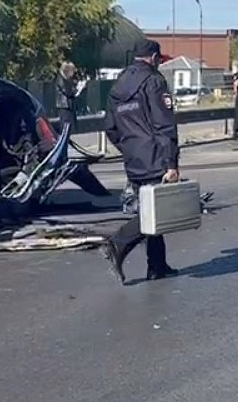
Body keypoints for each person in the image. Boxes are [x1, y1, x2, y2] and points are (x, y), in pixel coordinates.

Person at [99, 39, 181, 284]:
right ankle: (117, 243)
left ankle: (157, 265)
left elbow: (110, 127)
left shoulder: (118, 85)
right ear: (154, 58)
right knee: (154, 211)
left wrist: (128, 147)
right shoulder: (154, 82)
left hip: (133, 157)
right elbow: (164, 124)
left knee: (151, 206)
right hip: (155, 155)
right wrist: (171, 163)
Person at [54, 61, 85, 134]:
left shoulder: (66, 79)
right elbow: (68, 92)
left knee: (71, 127)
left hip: (69, 105)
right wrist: (78, 89)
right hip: (64, 106)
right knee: (66, 126)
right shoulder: (61, 80)